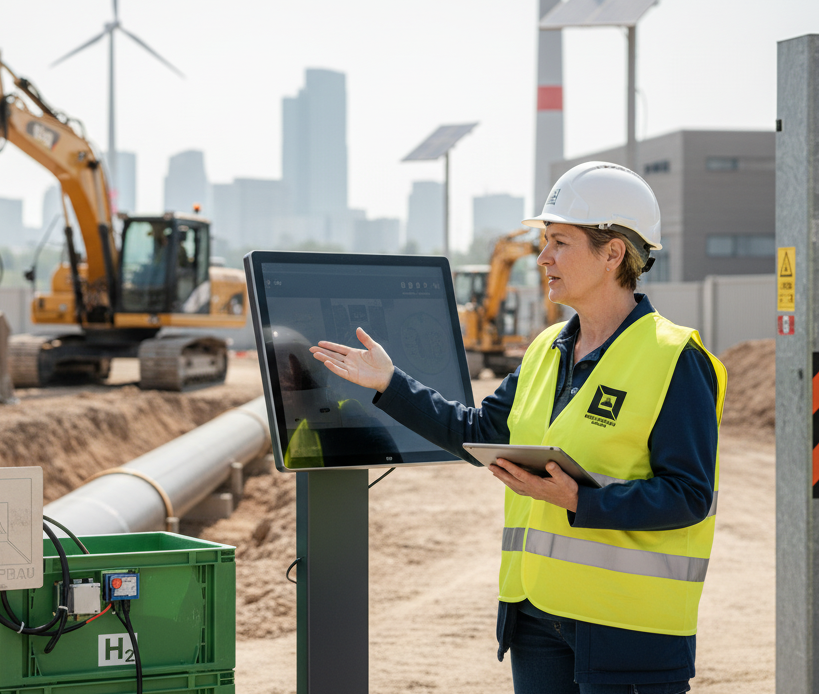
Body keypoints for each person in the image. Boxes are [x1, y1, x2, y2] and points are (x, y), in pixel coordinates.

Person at [309, 162, 726, 694]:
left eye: (559, 242)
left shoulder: (675, 358)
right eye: (544, 241)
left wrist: (580, 499)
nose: (543, 257)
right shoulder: (545, 350)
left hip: (627, 630)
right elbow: (479, 432)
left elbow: (689, 495)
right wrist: (390, 384)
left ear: (613, 254)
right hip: (535, 618)